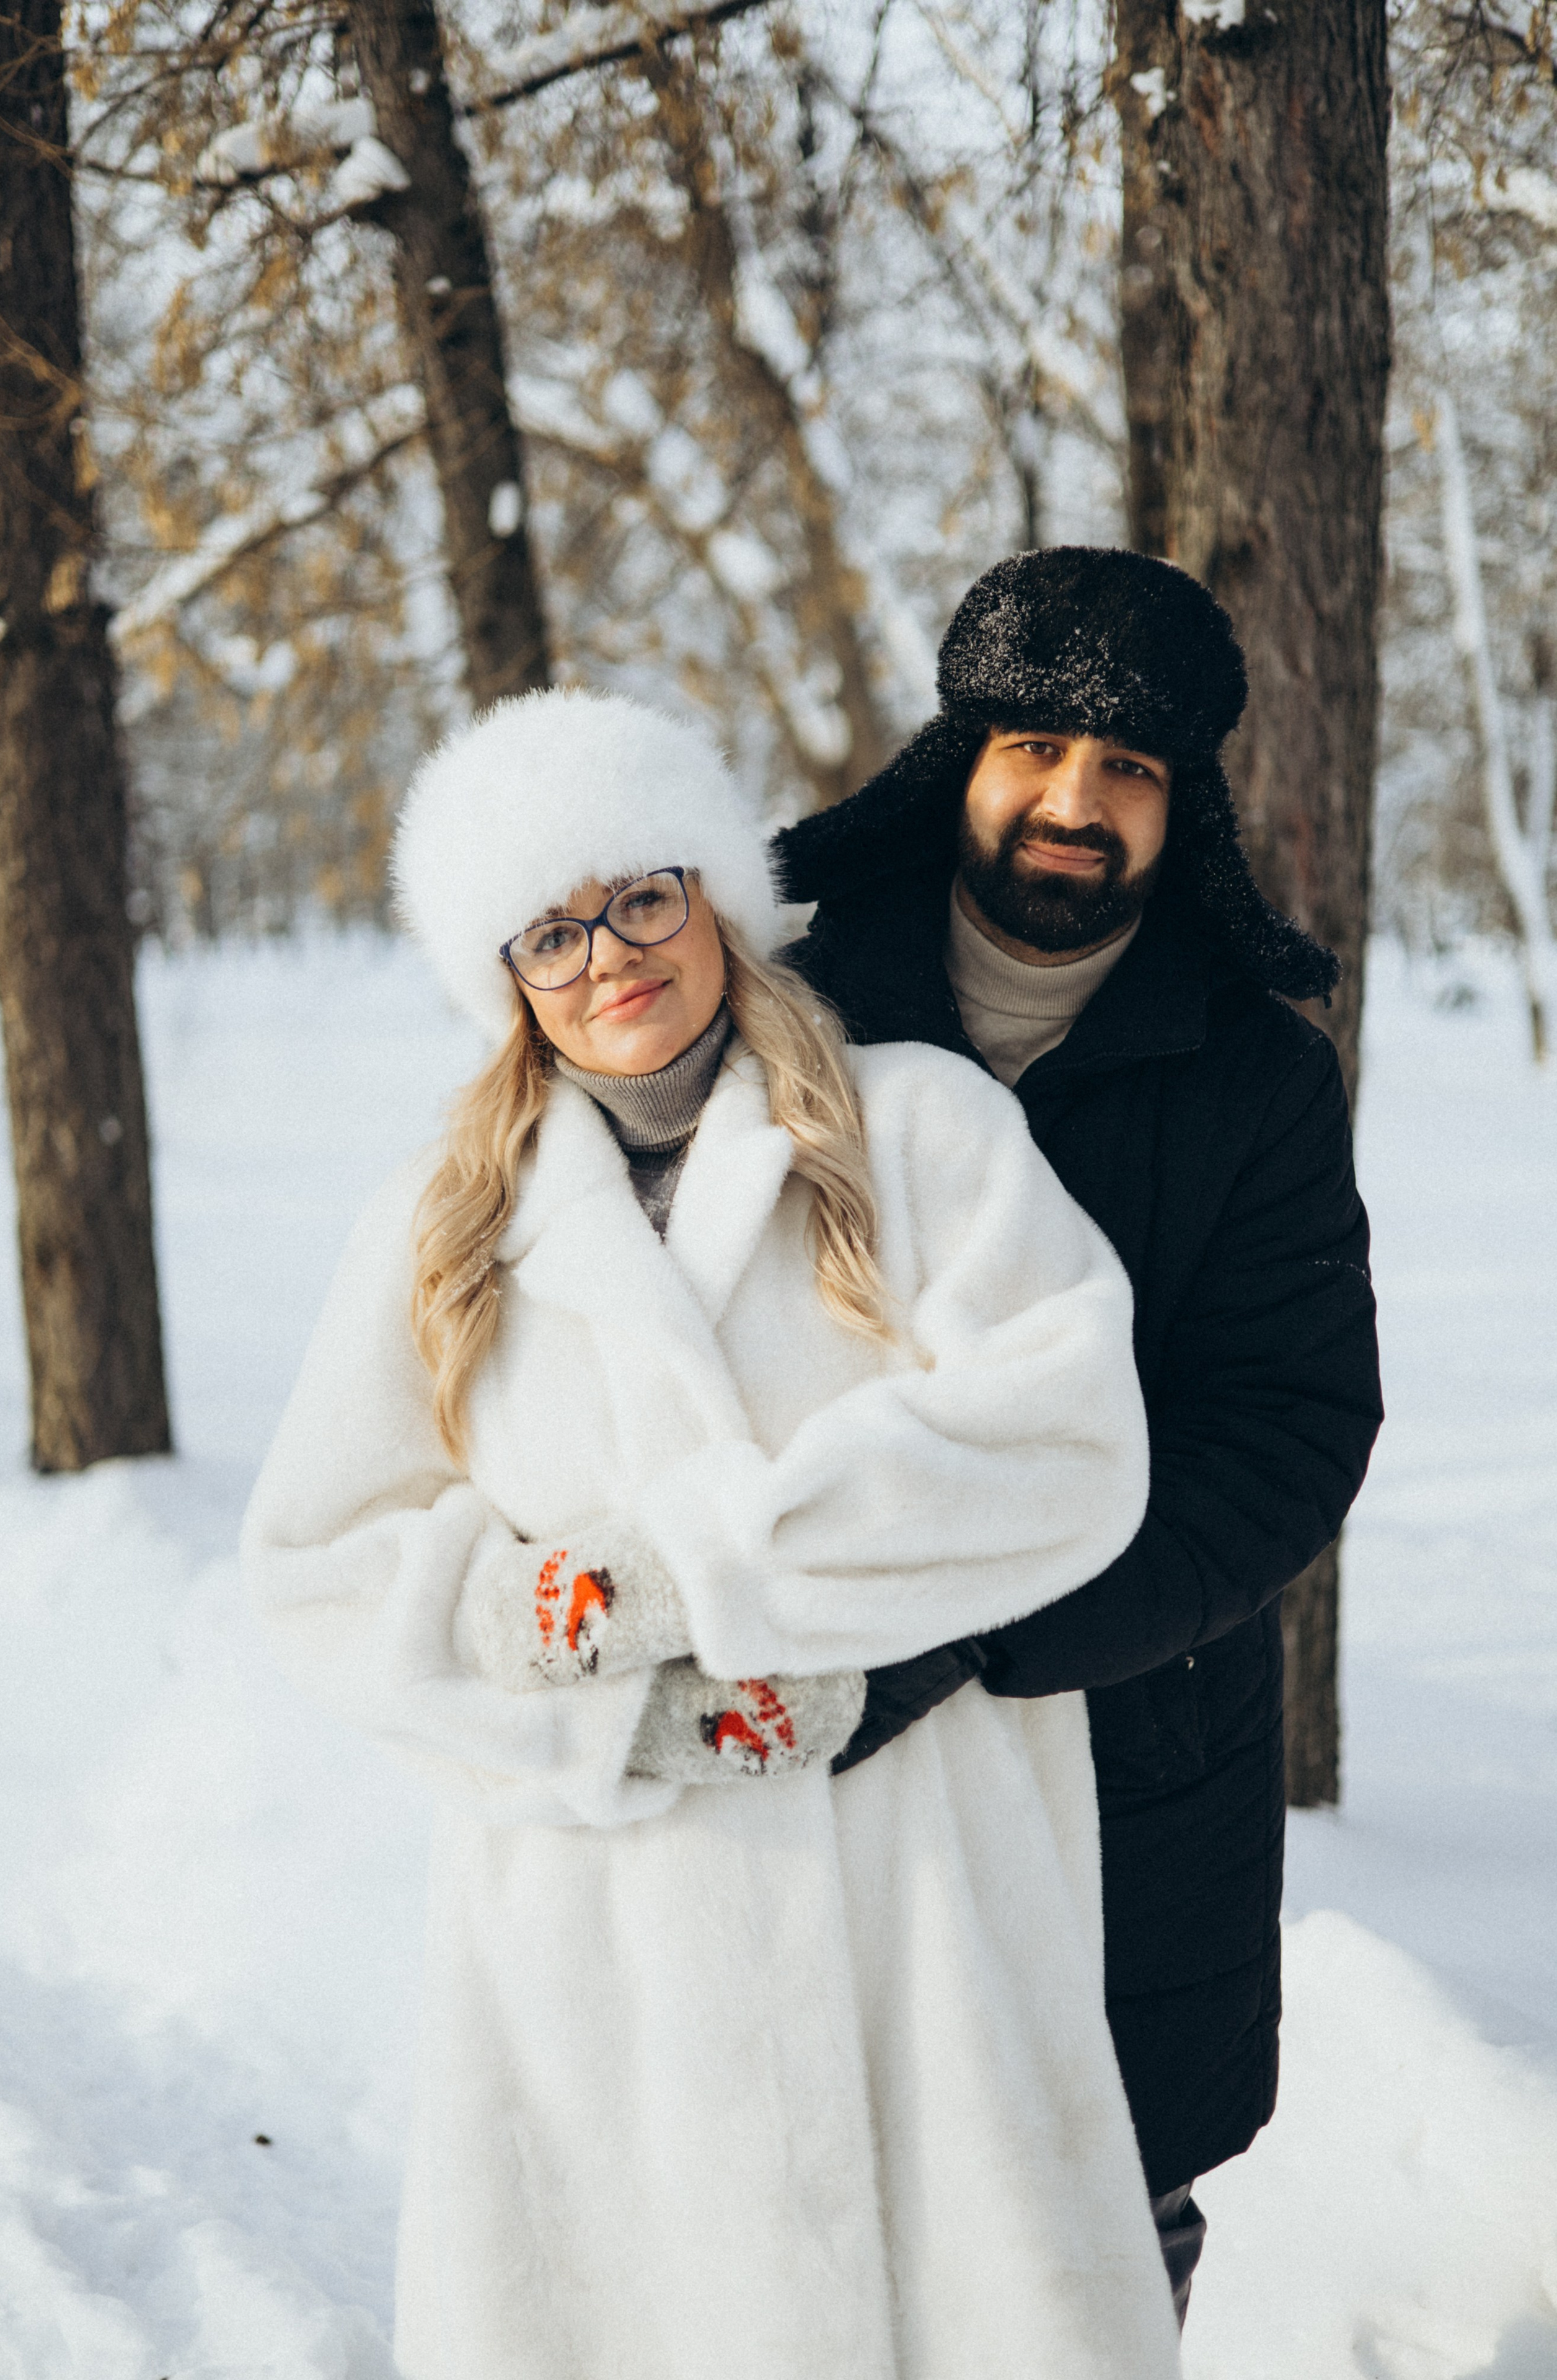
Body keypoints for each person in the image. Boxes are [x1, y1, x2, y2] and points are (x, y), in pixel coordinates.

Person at [242, 686, 1184, 2380]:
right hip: (600, 1938)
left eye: (641, 894)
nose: (609, 952)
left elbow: (1067, 1442)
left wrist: (721, 1570)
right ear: (507, 979)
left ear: (715, 898)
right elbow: (319, 1565)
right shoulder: (441, 1223)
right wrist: (579, 1650)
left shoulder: (921, 1130)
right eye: (550, 929)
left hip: (923, 1892)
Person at [775, 544, 1385, 2322]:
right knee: (828, 2210)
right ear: (958, 760)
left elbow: (1288, 1425)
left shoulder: (1256, 1075)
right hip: (822, 1736)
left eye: (1128, 767)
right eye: (1038, 747)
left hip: (1140, 1742)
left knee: (1094, 2236)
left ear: (1179, 804)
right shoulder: (792, 1017)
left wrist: (996, 1626)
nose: (1076, 799)